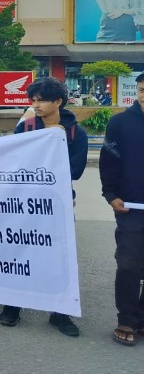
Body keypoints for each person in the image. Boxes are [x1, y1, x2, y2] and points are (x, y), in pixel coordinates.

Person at [0, 77, 87, 336]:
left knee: (60, 258)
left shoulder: (75, 133)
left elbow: (76, 170)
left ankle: (60, 313)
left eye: (41, 100)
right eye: (33, 100)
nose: (36, 105)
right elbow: (13, 162)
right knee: (18, 252)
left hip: (57, 204)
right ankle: (12, 305)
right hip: (25, 203)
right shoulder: (25, 128)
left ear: (58, 101)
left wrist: (55, 143)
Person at [100, 71, 144, 346]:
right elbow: (109, 160)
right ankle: (126, 319)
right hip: (131, 207)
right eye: (142, 90)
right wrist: (111, 194)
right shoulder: (120, 123)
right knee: (128, 264)